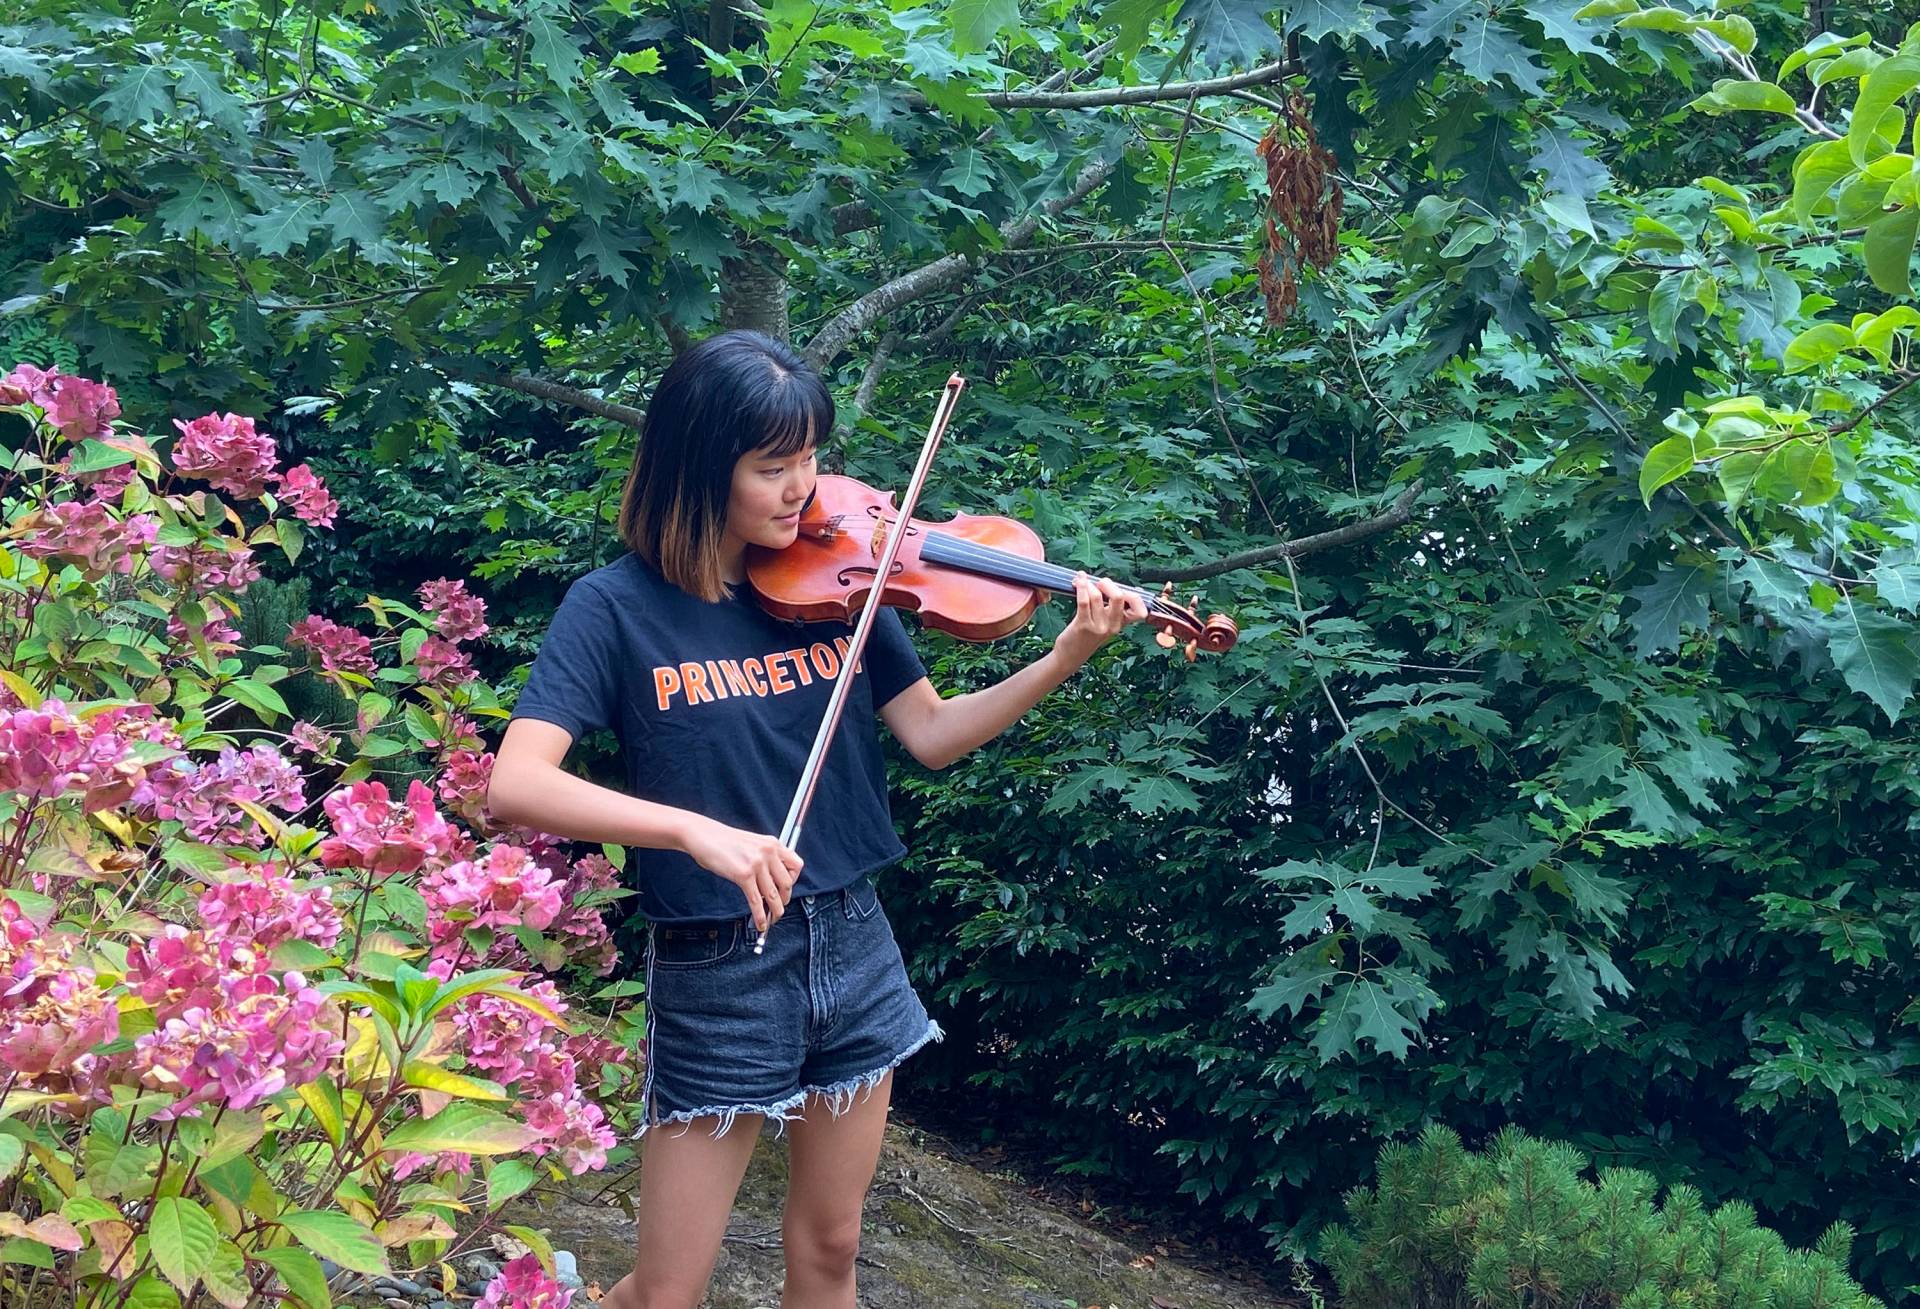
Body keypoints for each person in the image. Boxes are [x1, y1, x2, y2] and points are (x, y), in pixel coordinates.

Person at [487, 329, 1146, 1309]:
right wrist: (692, 830)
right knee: (670, 1290)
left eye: (809, 458)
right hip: (720, 963)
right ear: (699, 467)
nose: (801, 488)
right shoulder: (613, 610)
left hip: (852, 939)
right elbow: (517, 783)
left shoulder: (849, 580)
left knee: (833, 1245)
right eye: (771, 466)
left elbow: (929, 732)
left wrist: (1065, 656)